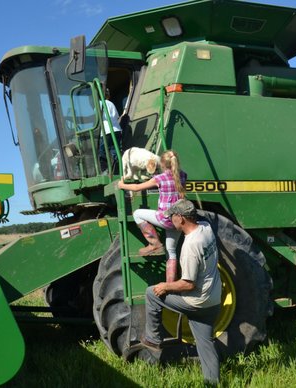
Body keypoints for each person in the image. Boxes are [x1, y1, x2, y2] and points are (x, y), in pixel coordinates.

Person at [140, 199, 222, 385]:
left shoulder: (190, 247)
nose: (170, 221)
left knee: (151, 293)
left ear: (182, 218)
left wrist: (165, 286)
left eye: (173, 217)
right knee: (205, 344)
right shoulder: (206, 228)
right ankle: (212, 383)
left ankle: (153, 339)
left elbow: (187, 285)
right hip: (213, 300)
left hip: (197, 302)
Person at [117, 149, 187, 282]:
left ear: (162, 164)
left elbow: (137, 188)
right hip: (179, 220)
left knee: (137, 214)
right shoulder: (183, 175)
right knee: (171, 252)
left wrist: (122, 185)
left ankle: (154, 243)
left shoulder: (159, 178)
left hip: (165, 219)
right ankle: (170, 285)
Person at [99, 88, 122, 173]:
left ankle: (104, 170)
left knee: (102, 151)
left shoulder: (99, 103)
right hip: (116, 130)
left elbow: (97, 118)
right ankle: (120, 169)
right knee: (115, 151)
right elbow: (116, 116)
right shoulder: (111, 103)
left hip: (106, 131)